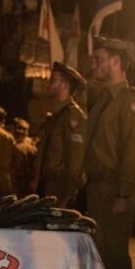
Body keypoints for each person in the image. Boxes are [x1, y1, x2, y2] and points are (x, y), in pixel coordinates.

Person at [83, 37, 135, 269]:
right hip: (98, 187)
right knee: (101, 252)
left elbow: (131, 152)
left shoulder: (129, 102)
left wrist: (123, 193)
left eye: (100, 58)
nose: (94, 64)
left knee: (115, 254)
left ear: (116, 62)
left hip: (113, 188)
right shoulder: (104, 99)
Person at [36, 62, 87, 207]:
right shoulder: (57, 115)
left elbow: (75, 160)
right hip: (48, 187)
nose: (49, 83)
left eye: (53, 80)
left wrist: (68, 196)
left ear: (64, 85)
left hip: (59, 191)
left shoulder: (73, 116)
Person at [11, 118, 39, 196]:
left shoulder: (15, 148)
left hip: (17, 182)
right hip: (30, 181)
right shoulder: (33, 148)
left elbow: (14, 168)